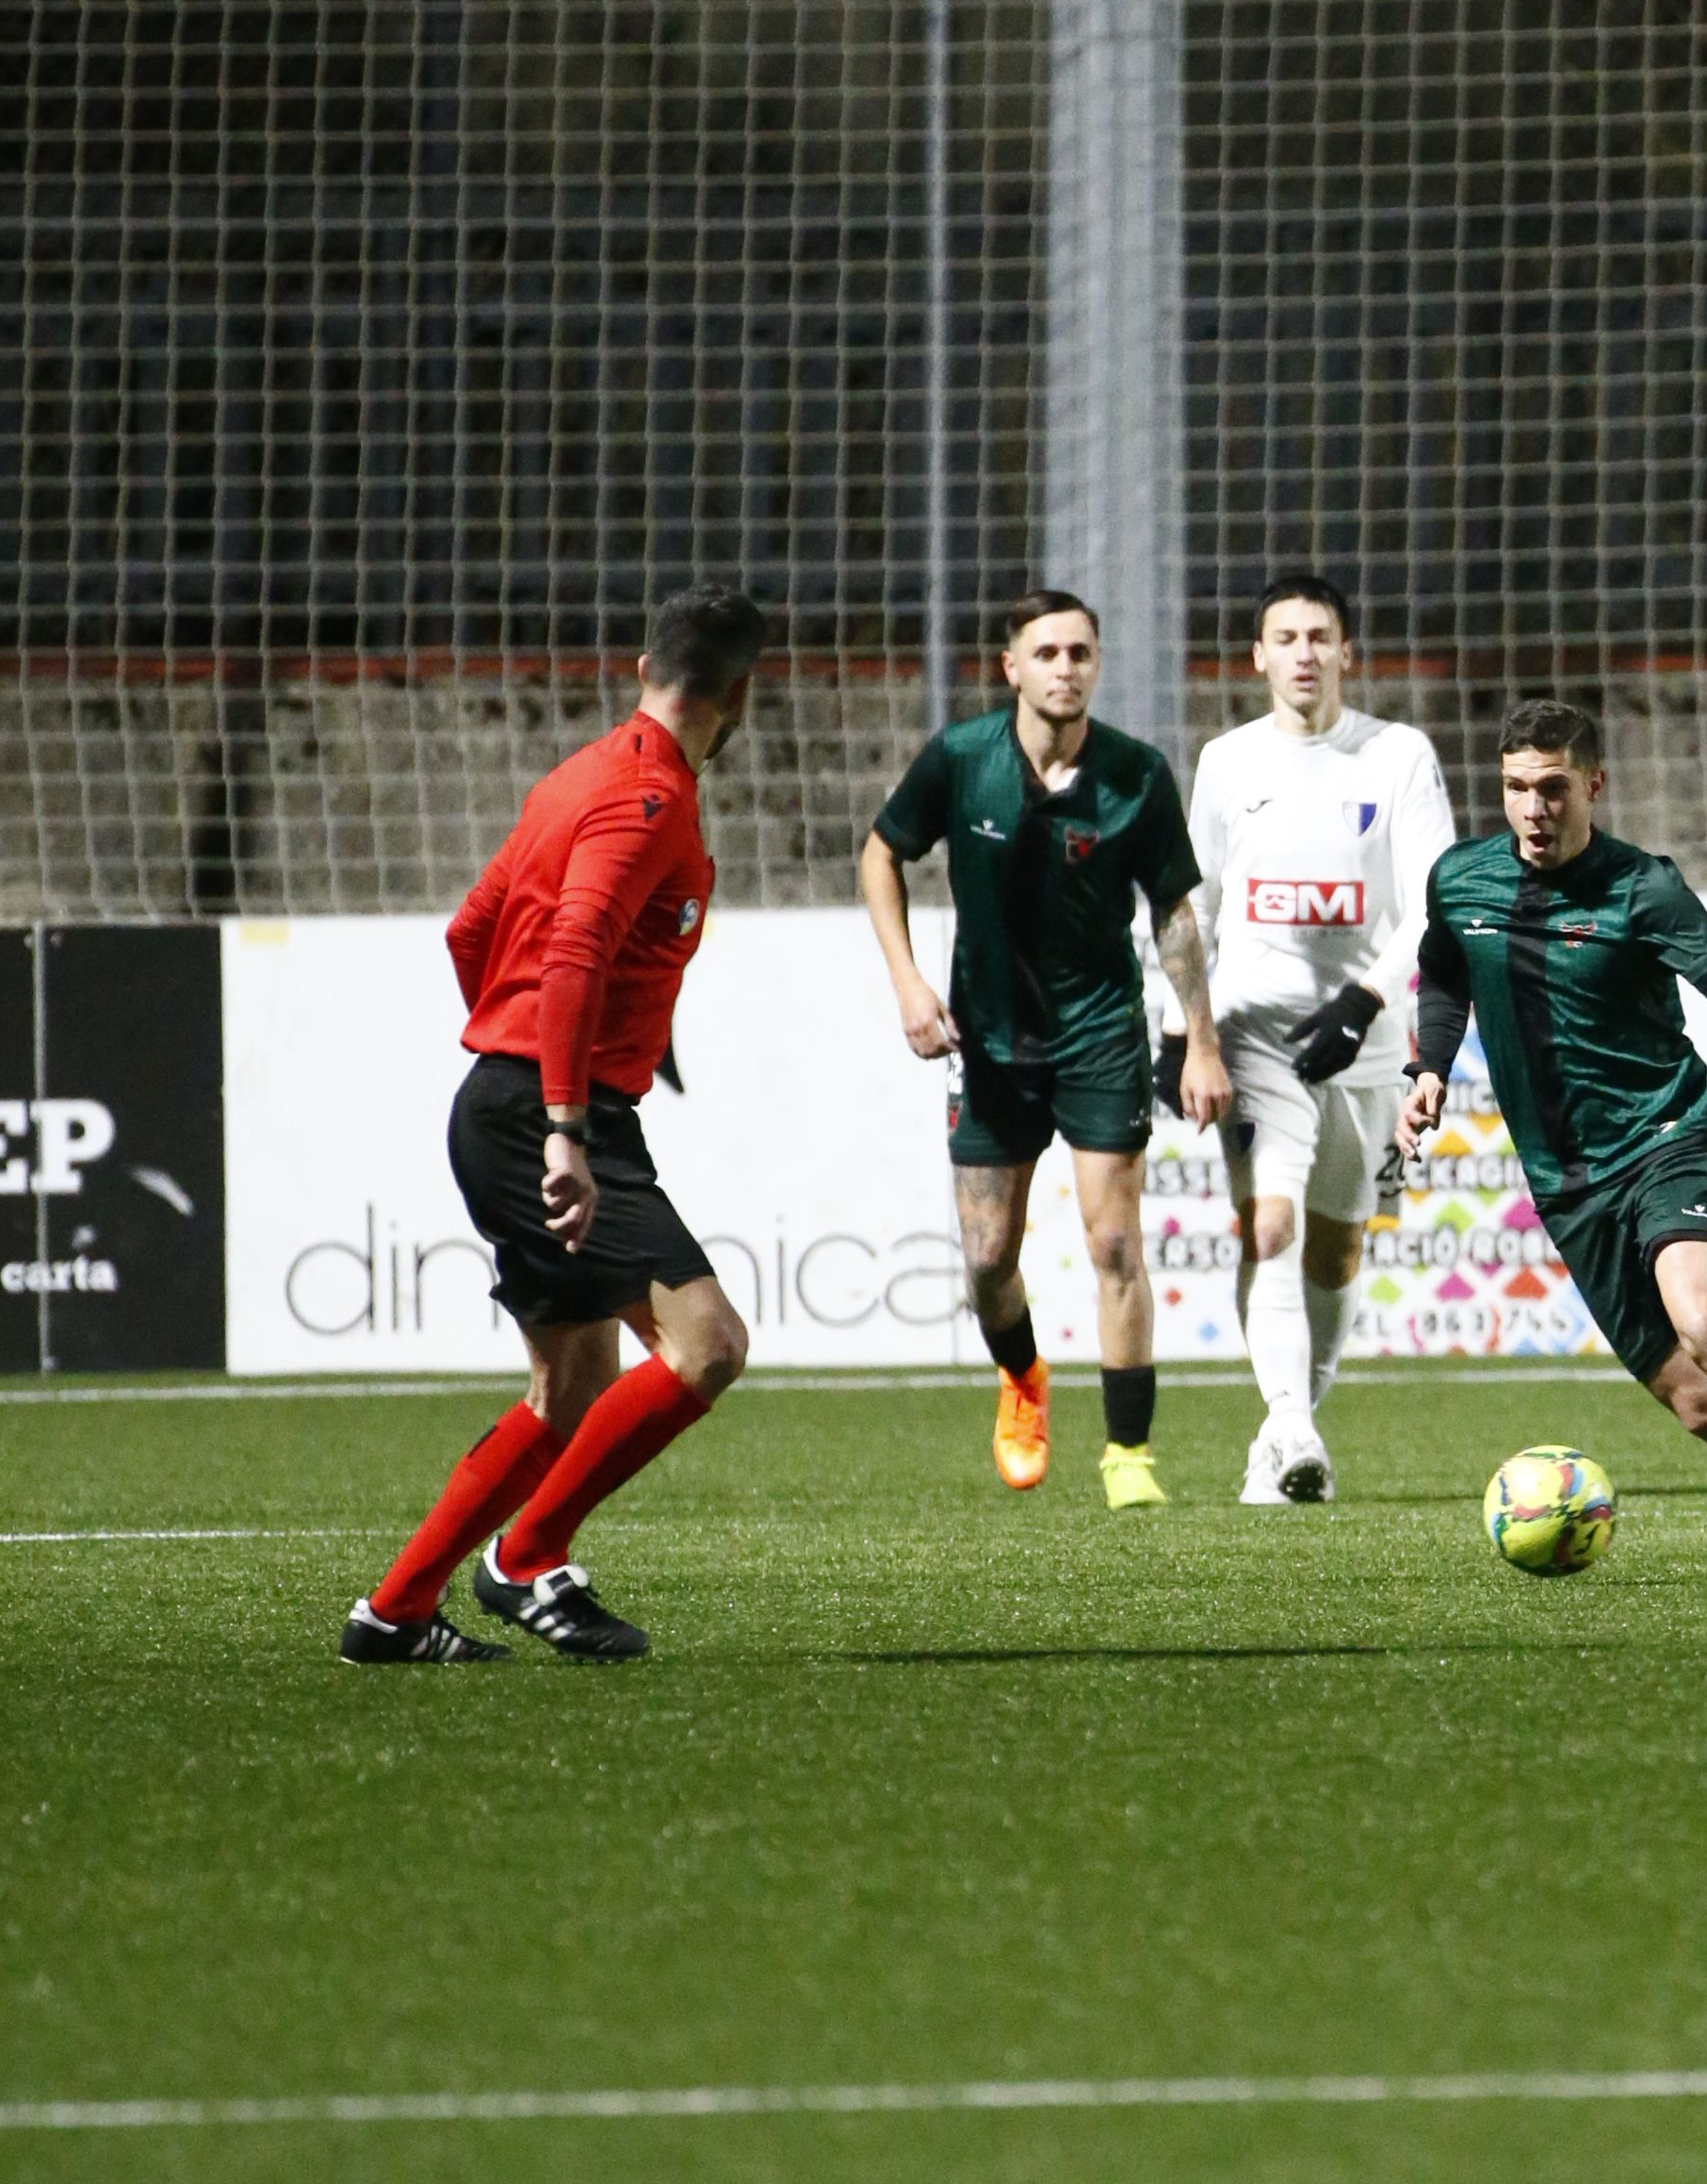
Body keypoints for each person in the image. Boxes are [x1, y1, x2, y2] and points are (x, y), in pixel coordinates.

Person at [341, 584, 768, 1667]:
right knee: (706, 1346)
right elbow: (573, 949)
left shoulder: (578, 776)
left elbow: (470, 930)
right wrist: (563, 1121)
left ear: (642, 668)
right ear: (743, 695)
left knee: (568, 1386)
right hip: (549, 1113)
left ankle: (391, 1615)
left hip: (511, 1097)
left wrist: (518, 1047)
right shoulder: (649, 804)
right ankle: (527, 1558)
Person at [1396, 705, 1707, 1584]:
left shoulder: (1642, 886)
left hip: (1662, 1141)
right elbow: (1443, 974)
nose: (1533, 808)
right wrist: (1429, 1069)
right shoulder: (1461, 880)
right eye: (1516, 788)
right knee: (1705, 1409)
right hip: (1565, 1183)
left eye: (1553, 788)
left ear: (1592, 785)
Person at [860, 588, 1230, 1510]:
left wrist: (1201, 1041)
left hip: (1102, 1032)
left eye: (1081, 653)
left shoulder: (1137, 774)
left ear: (1096, 665)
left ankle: (1128, 1454)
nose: (1067, 668)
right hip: (987, 1040)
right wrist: (908, 981)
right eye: (1049, 652)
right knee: (988, 1257)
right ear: (1012, 667)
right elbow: (880, 853)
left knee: (1114, 1240)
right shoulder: (961, 758)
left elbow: (1175, 911)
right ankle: (1023, 1378)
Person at [1186, 567, 1456, 1506]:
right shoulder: (1226, 761)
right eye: (1286, 638)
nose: (1304, 654)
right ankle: (1296, 1431)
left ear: (1347, 652)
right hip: (1255, 1031)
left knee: (1336, 1253)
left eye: (1319, 637)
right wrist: (1184, 1030)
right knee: (1269, 1224)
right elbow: (1195, 910)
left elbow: (1435, 905)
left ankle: (1284, 1434)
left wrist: (1368, 1001)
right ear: (1258, 656)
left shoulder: (1399, 756)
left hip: (1367, 1044)